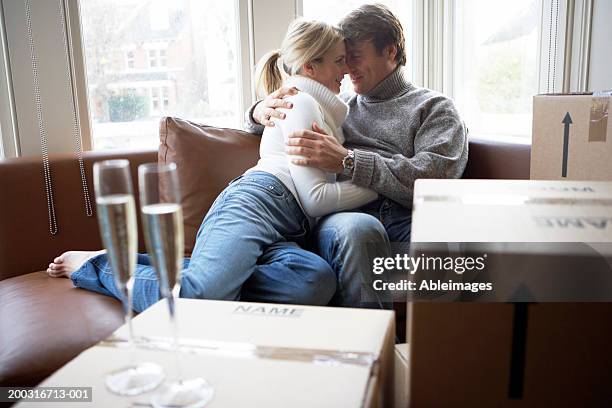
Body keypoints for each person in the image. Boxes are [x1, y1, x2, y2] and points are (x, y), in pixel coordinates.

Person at [47, 19, 381, 312]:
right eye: (339, 61)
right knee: (201, 295)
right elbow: (315, 198)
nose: (346, 71)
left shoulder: (326, 114)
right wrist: (375, 180)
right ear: (310, 67)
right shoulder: (300, 101)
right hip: (258, 203)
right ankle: (99, 264)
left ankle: (205, 271)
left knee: (314, 283)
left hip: (289, 227)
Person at [245, 4, 469, 307]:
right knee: (361, 230)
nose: (346, 68)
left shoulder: (434, 107)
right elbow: (280, 129)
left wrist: (349, 161)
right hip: (344, 217)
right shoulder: (335, 105)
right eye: (342, 59)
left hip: (405, 218)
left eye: (355, 57)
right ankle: (371, 349)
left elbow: (436, 177)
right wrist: (257, 112)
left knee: (461, 250)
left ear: (390, 52)